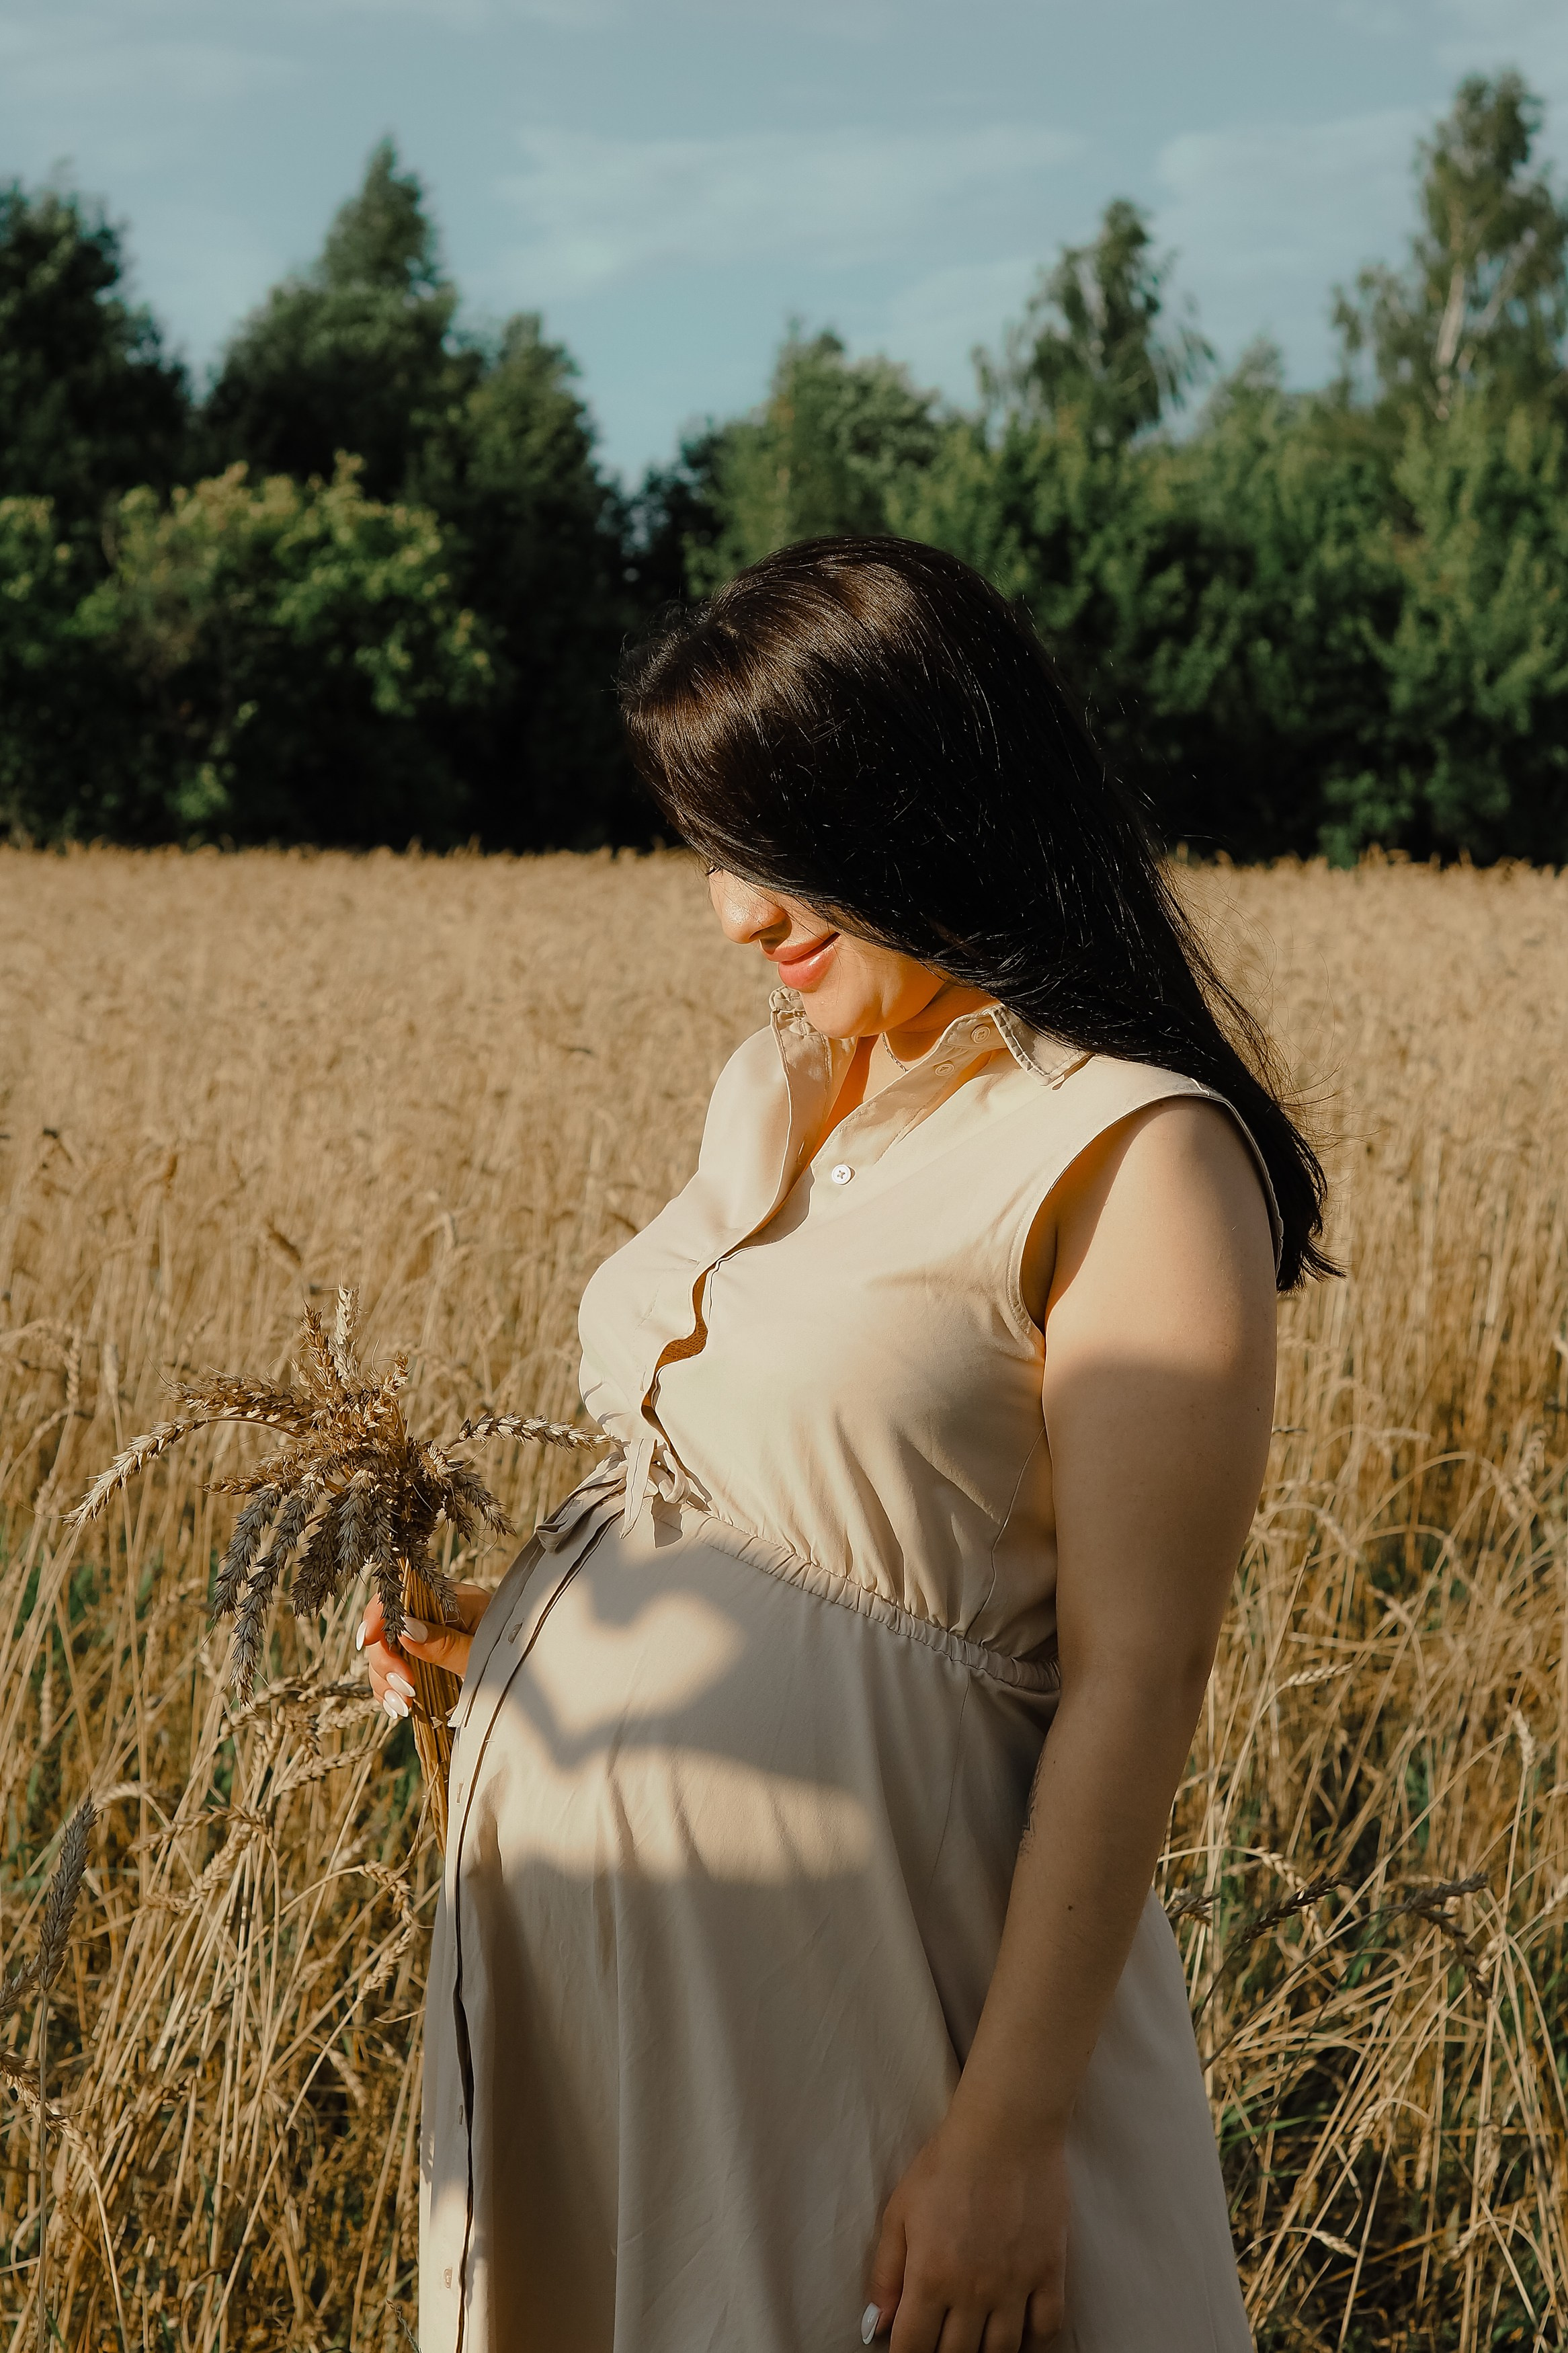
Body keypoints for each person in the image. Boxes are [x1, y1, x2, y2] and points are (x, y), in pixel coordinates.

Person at [360, 536, 1331, 2353]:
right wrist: (522, 1648)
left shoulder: (1134, 1152)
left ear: (924, 801)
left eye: (773, 846)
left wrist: (1006, 2139)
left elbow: (1140, 1678)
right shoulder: (781, 1089)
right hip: (628, 2011)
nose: (736, 913)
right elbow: (784, 1523)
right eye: (710, 850)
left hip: (884, 2022)